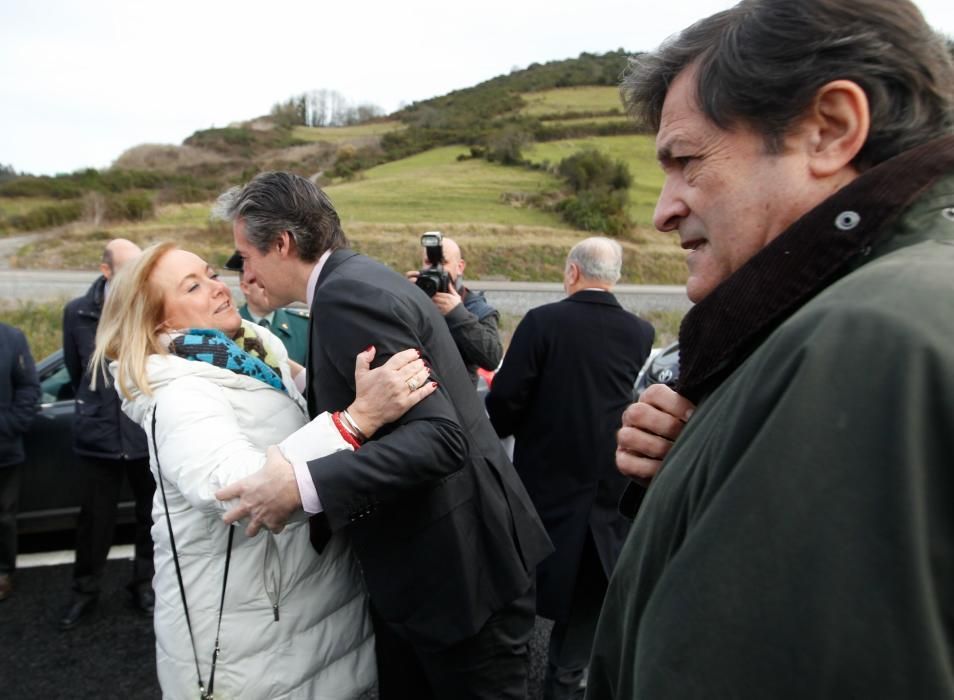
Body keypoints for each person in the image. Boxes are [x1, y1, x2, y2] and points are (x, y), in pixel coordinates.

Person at [587, 1, 954, 698]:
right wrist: (714, 457)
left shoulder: (867, 342)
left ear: (830, 130)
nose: (663, 210)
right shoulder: (856, 323)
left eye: (687, 161)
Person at [214, 172, 553, 700]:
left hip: (458, 576)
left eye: (245, 256)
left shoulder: (346, 296)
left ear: (281, 243)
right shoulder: (355, 280)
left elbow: (440, 438)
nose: (245, 271)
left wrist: (304, 486)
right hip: (454, 563)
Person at [91, 241, 434, 698]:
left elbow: (294, 414)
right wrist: (356, 421)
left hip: (303, 611)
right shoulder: (179, 393)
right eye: (193, 285)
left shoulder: (254, 352)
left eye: (211, 272)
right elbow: (239, 491)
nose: (217, 286)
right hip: (250, 640)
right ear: (160, 322)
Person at [486, 237, 655, 700]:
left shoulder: (543, 322)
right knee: (577, 637)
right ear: (614, 277)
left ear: (572, 273)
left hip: (541, 493)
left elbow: (505, 401)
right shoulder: (641, 333)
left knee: (516, 613)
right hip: (605, 500)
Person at [59, 238, 156, 630]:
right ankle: (85, 591)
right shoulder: (78, 313)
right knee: (94, 520)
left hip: (141, 434)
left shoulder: (147, 309)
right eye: (128, 268)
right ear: (106, 271)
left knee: (151, 517)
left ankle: (143, 585)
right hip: (98, 436)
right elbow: (75, 369)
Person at [405, 235, 503, 385]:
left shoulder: (476, 308)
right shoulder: (413, 298)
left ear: (460, 267)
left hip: (458, 401)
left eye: (443, 262)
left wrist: (457, 314)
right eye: (428, 262)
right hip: (418, 397)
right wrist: (403, 296)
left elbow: (492, 359)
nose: (434, 269)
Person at [0, 322, 40, 601]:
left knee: (3, 516)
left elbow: (29, 388)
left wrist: (9, 425)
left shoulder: (11, 338)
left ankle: (3, 572)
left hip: (4, 449)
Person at [232, 259, 310, 365]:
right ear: (245, 287)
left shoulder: (303, 326)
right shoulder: (231, 328)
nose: (272, 286)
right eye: (262, 282)